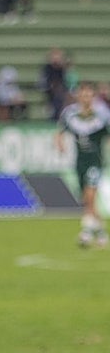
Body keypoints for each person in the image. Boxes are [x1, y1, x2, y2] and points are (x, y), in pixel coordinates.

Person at [56, 81, 110, 249]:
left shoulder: (102, 115)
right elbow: (59, 132)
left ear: (93, 97)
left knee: (90, 196)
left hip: (95, 160)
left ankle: (86, 233)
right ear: (78, 95)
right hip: (80, 161)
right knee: (87, 200)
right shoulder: (70, 114)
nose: (86, 98)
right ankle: (101, 232)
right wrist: (60, 144)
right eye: (83, 94)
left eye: (89, 95)